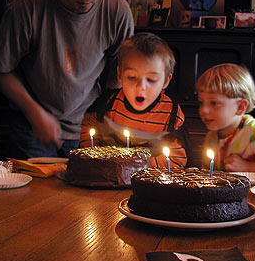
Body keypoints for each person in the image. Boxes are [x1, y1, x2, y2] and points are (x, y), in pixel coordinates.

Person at [0, 0, 134, 159]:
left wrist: (106, 113)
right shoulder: (27, 3)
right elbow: (2, 70)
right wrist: (34, 112)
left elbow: (119, 73)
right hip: (31, 125)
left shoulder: (117, 11)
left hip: (86, 126)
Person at [79, 33, 188, 168]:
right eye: (132, 77)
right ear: (119, 75)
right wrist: (95, 156)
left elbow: (176, 160)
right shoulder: (108, 104)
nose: (141, 87)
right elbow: (89, 124)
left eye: (151, 79)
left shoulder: (171, 115)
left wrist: (134, 165)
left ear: (166, 81)